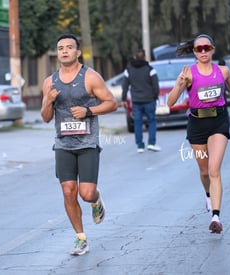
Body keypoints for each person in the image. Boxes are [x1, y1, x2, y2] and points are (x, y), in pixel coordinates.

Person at [167, 34, 230, 234]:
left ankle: (216, 216)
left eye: (207, 48)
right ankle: (208, 194)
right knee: (205, 171)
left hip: (219, 122)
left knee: (215, 170)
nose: (204, 52)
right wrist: (180, 84)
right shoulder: (188, 74)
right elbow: (170, 102)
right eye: (199, 49)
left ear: (213, 49)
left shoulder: (223, 71)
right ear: (195, 52)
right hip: (197, 125)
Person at [41, 34, 118, 255]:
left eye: (69, 47)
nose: (64, 51)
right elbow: (46, 117)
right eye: (60, 48)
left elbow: (111, 103)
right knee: (68, 191)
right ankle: (80, 238)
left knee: (86, 193)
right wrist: (48, 101)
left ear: (77, 52)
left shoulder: (90, 77)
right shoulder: (50, 82)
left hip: (87, 143)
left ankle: (96, 200)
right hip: (63, 144)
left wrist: (88, 111)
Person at [121, 49, 161, 153]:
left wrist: (124, 98)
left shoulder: (128, 70)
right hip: (149, 100)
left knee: (137, 123)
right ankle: (151, 144)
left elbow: (124, 86)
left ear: (135, 57)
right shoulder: (150, 69)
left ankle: (140, 146)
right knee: (151, 121)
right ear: (144, 57)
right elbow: (155, 85)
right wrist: (155, 96)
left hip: (136, 101)